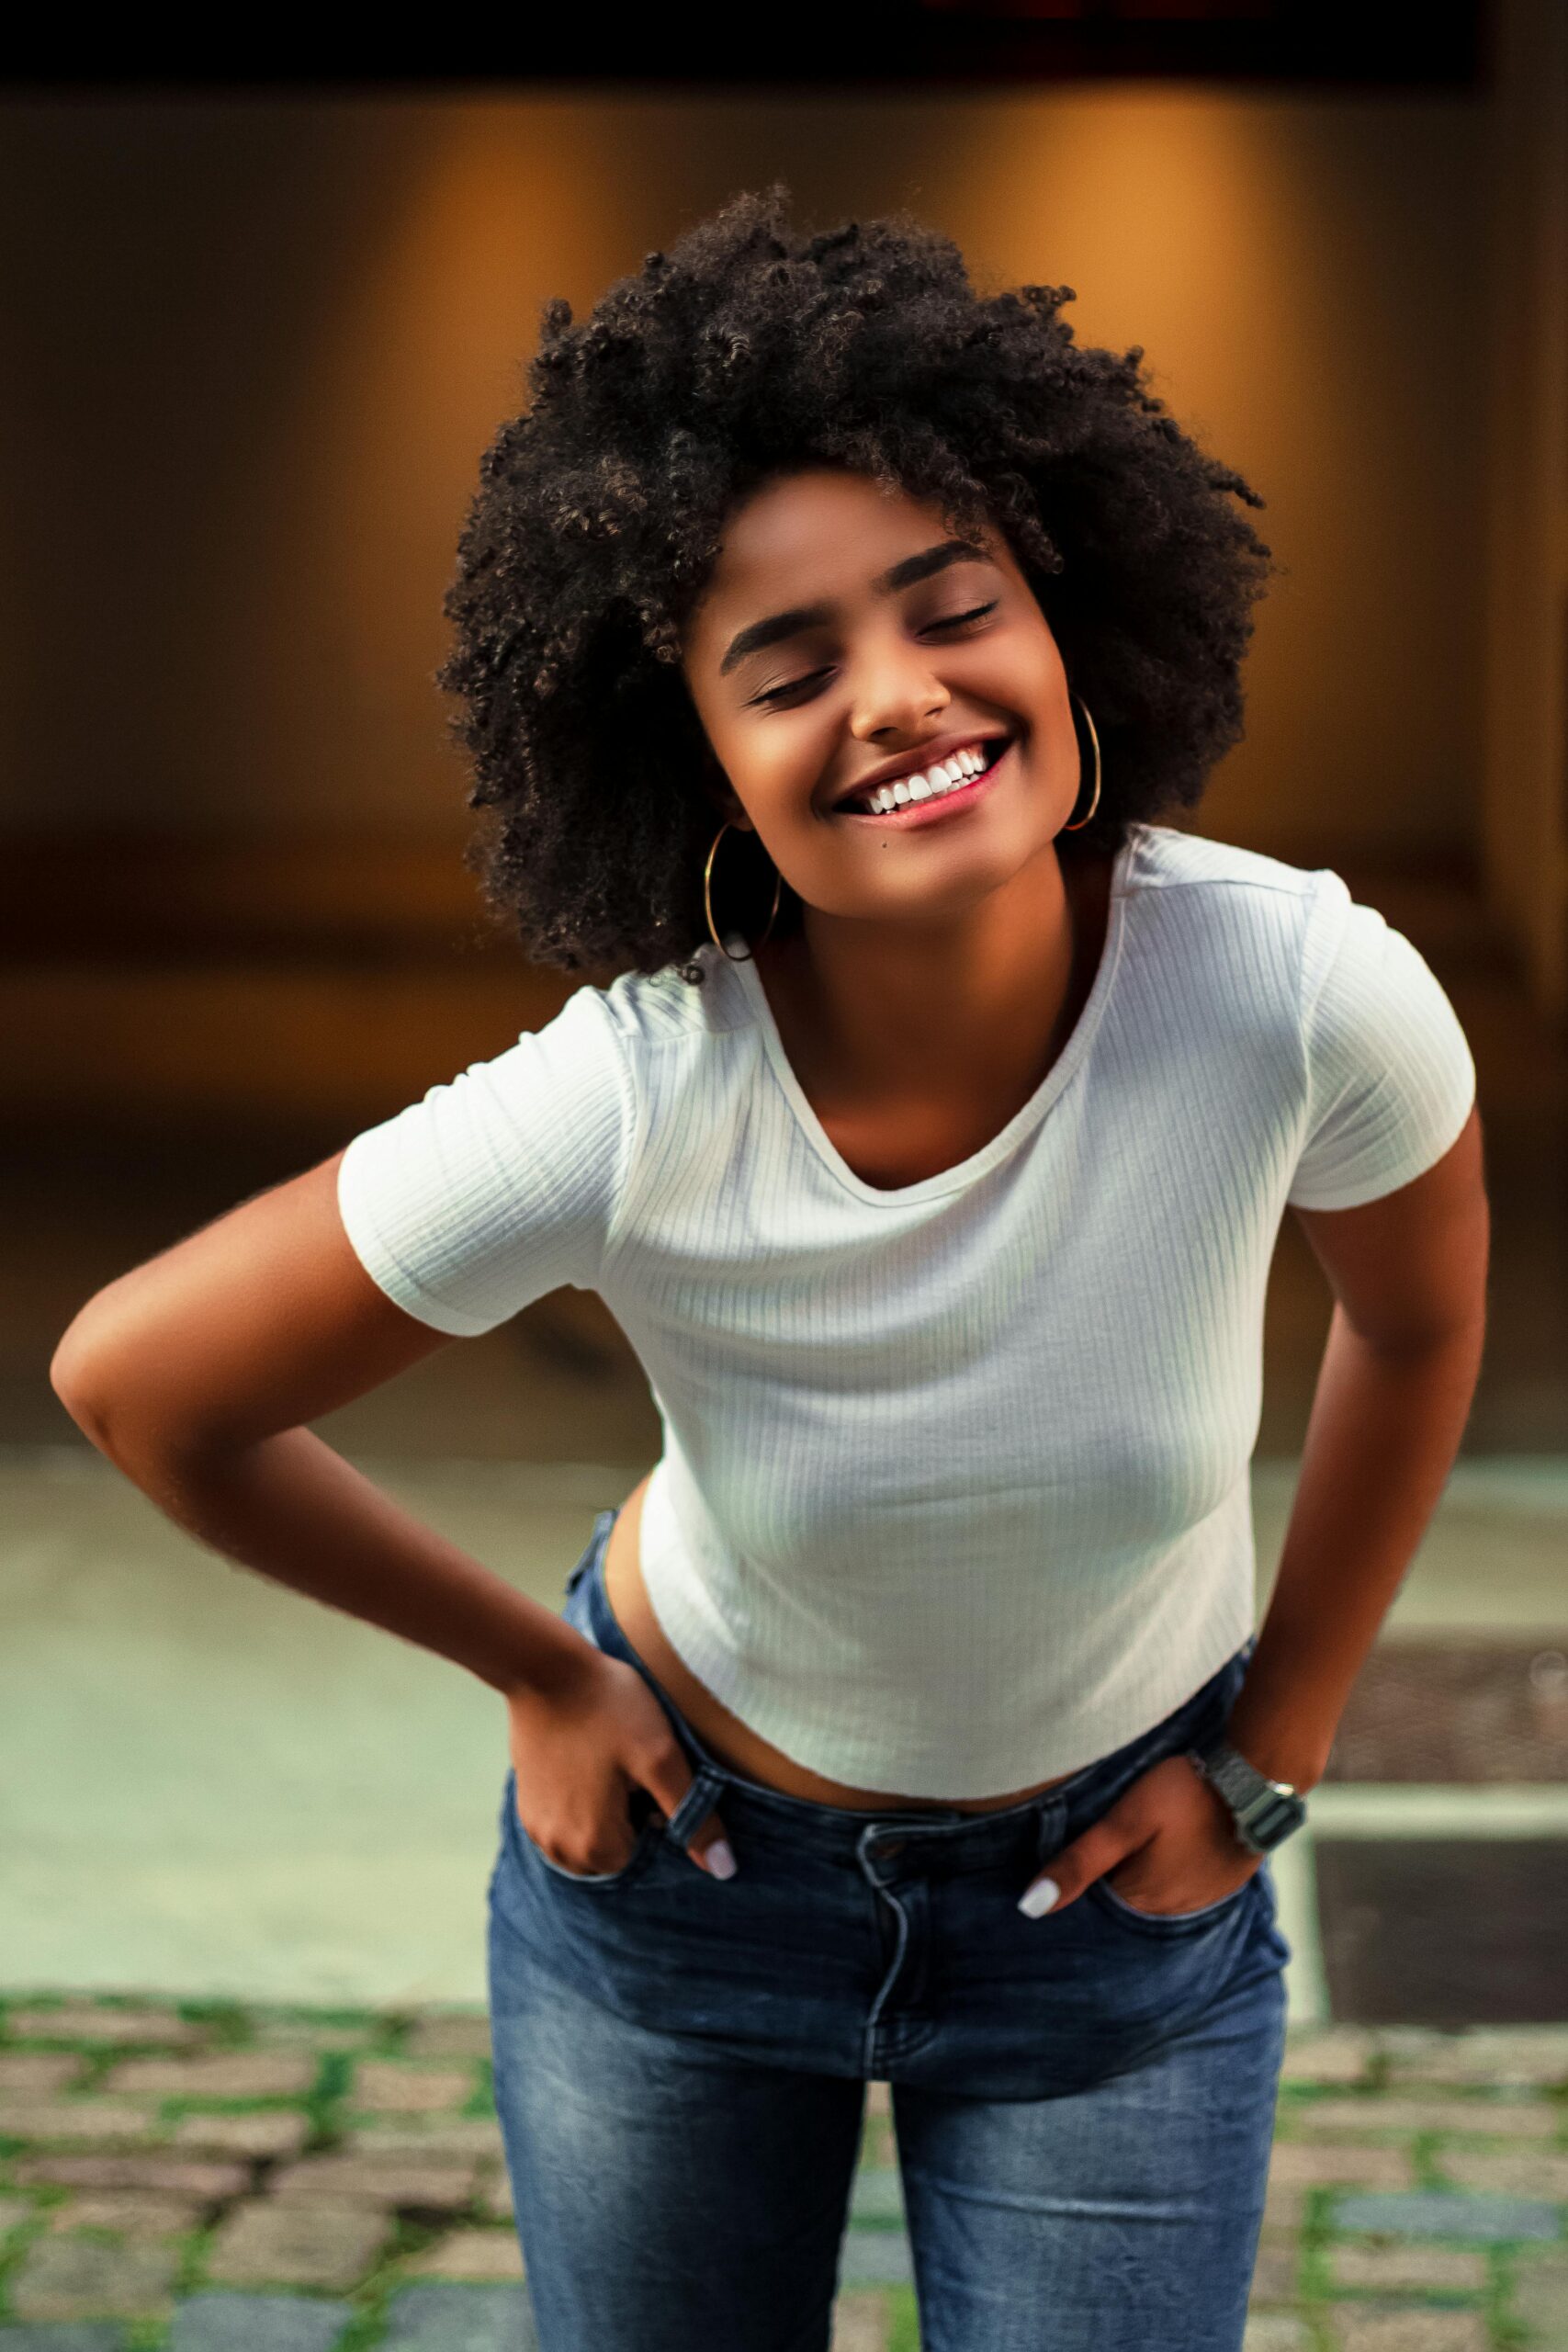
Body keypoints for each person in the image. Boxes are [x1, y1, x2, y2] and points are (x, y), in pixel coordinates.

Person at [51, 187, 1489, 2352]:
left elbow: (1413, 1312)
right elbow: (143, 1376)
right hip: (689, 1892)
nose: (898, 700)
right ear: (692, 759)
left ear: (1067, 615)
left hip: (1114, 1910)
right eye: (786, 666)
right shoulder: (638, 1093)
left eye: (950, 608)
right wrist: (536, 1674)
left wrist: (1274, 1745)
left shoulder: (1292, 993)